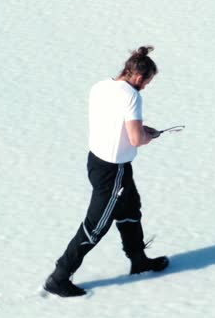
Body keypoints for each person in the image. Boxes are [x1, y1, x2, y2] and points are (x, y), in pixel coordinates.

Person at [44, 46, 171, 298]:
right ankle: (59, 277)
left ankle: (139, 261)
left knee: (130, 209)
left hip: (99, 162)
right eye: (147, 82)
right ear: (138, 77)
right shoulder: (133, 96)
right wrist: (150, 135)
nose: (145, 87)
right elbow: (135, 139)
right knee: (96, 225)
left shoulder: (100, 86)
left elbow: (113, 120)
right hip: (113, 172)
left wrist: (141, 130)